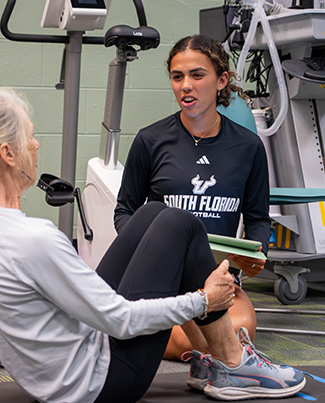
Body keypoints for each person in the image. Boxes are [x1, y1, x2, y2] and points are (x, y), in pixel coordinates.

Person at [0, 88, 305, 403]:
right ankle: (234, 363)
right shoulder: (34, 237)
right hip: (103, 383)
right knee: (183, 223)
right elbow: (120, 320)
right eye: (30, 137)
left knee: (157, 213)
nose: (36, 145)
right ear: (7, 153)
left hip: (54, 378)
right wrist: (204, 300)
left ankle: (215, 363)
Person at [114, 35, 271, 361]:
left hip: (218, 278)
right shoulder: (150, 140)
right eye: (177, 76)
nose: (186, 85)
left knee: (239, 331)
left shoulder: (249, 147)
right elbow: (125, 211)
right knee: (199, 342)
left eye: (197, 75)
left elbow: (257, 219)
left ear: (221, 80)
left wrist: (257, 253)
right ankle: (206, 350)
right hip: (164, 282)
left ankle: (204, 348)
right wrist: (146, 249)